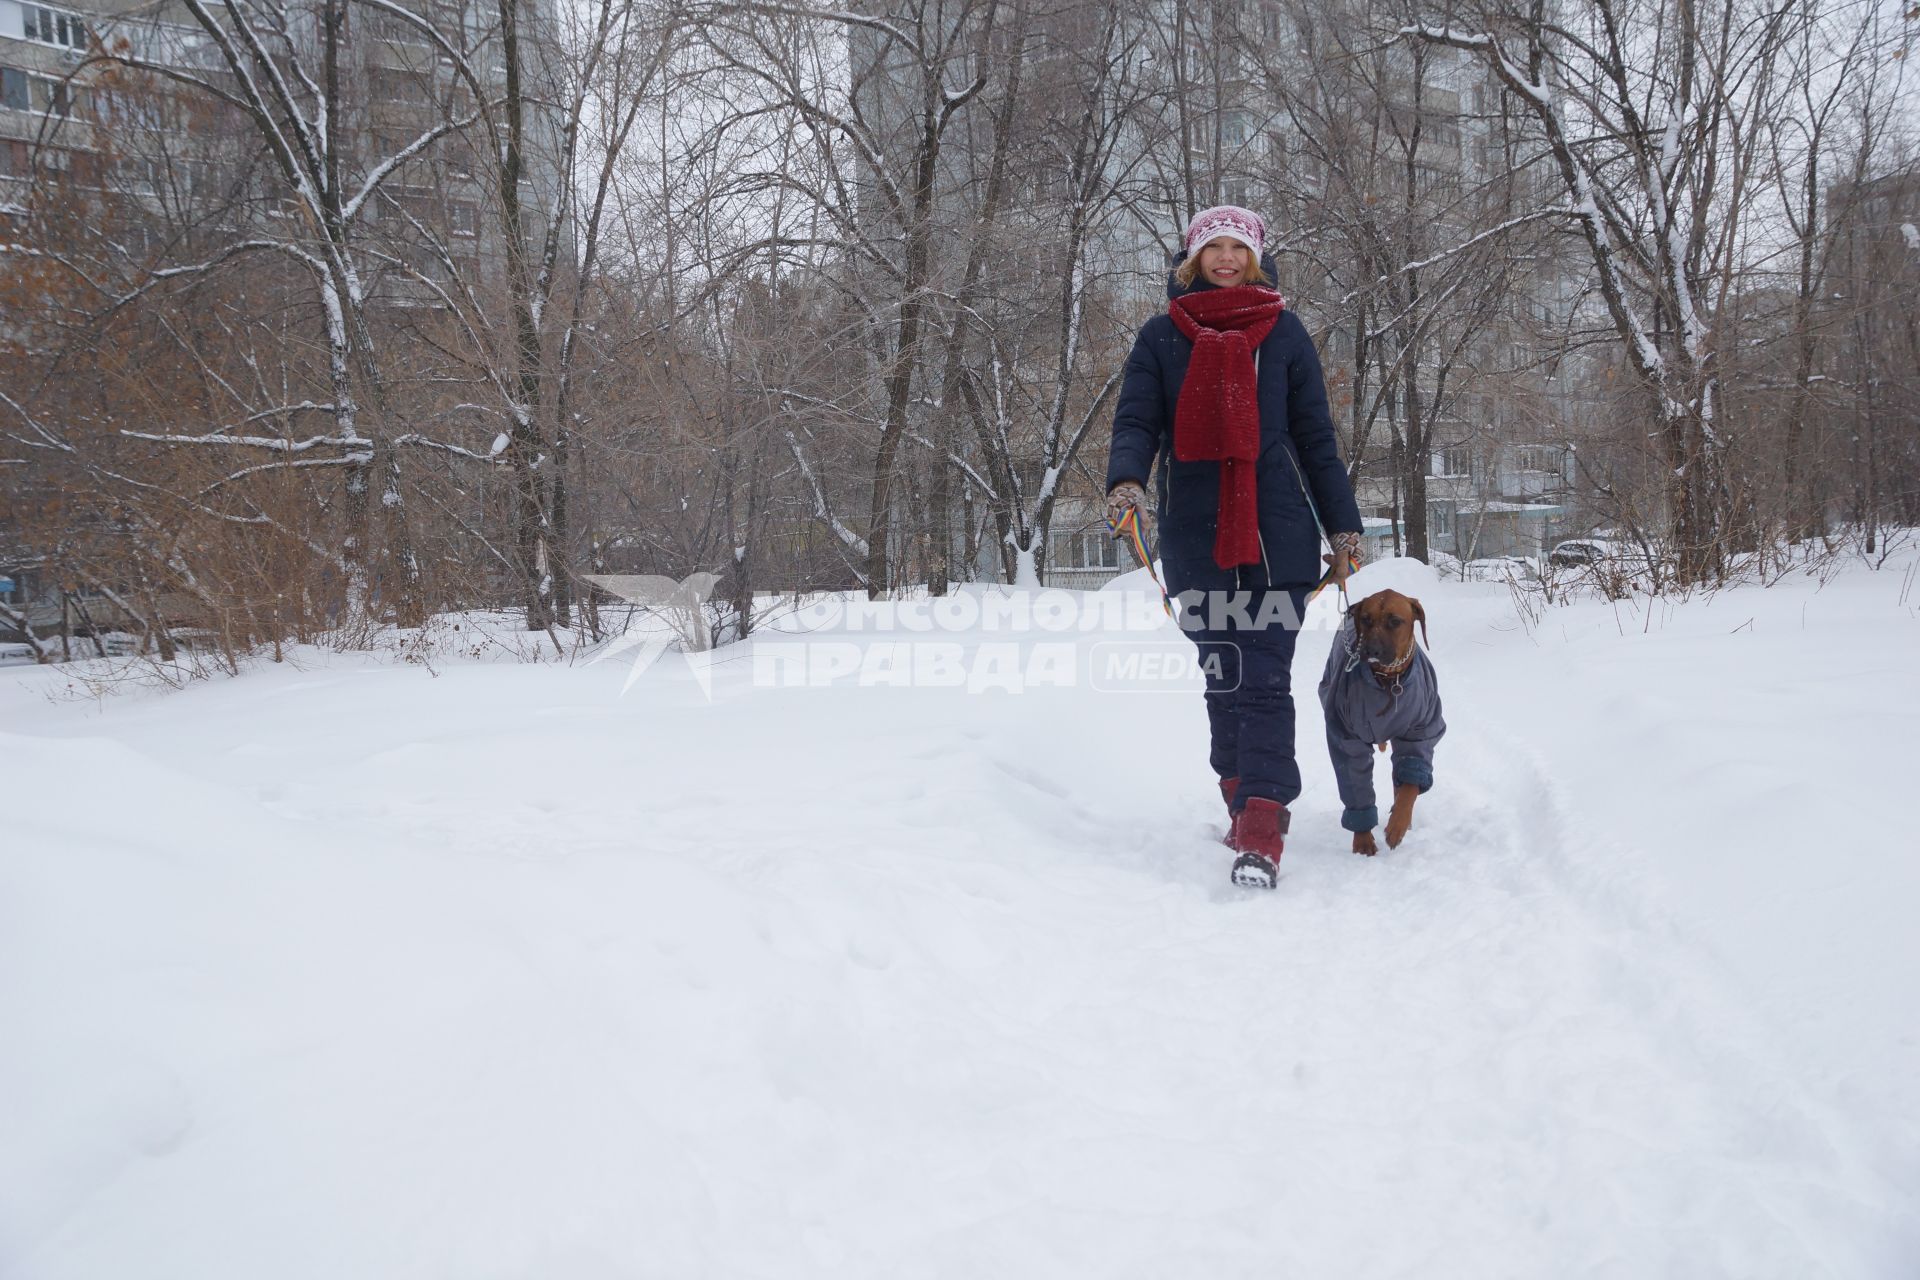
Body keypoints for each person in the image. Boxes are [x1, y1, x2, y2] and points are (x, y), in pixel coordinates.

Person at [1104, 205, 1366, 889]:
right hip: (1194, 534)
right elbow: (1136, 420)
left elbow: (1316, 440)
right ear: (1192, 258)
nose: (1225, 258)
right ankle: (1238, 786)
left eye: (1237, 247)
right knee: (1224, 676)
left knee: (1264, 677)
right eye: (1212, 247)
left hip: (1276, 536)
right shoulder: (1162, 337)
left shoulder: (1283, 334)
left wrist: (1343, 528)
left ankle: (1263, 819)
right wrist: (1127, 482)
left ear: (1255, 257)